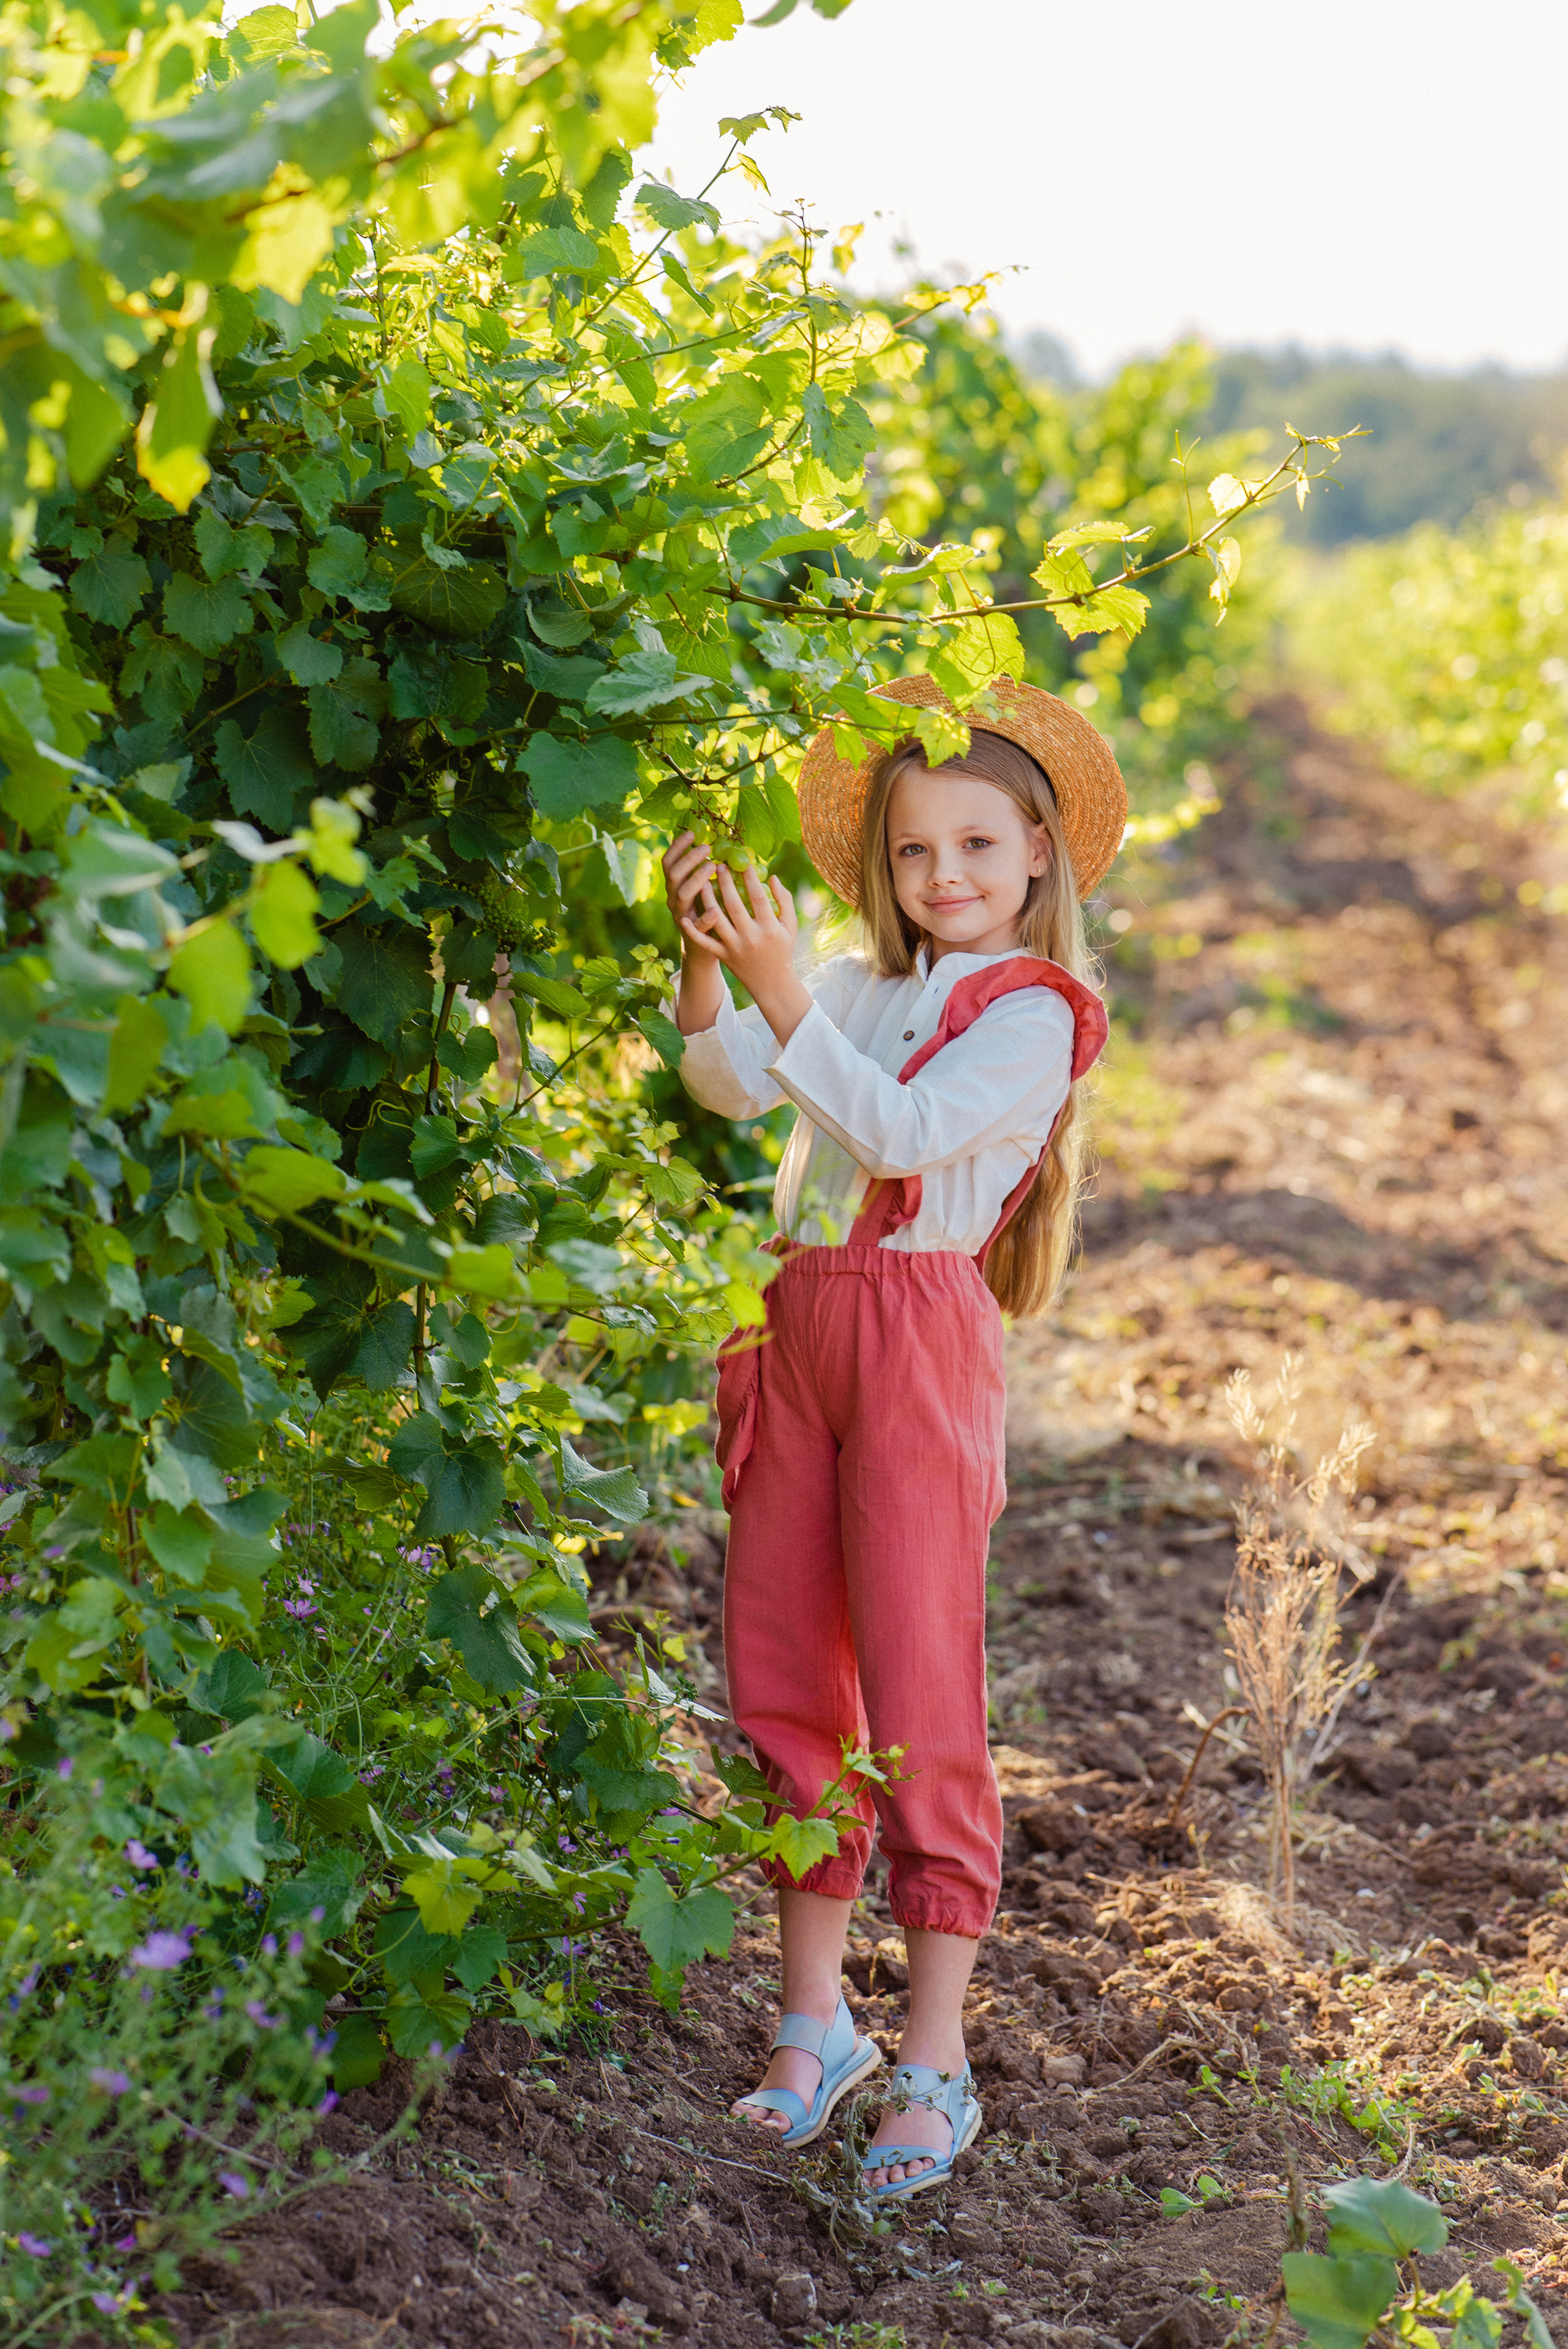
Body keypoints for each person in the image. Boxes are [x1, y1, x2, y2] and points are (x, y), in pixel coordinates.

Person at [661, 675, 1125, 2202]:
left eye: (977, 848)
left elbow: (898, 1139)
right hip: (791, 1323)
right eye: (916, 853)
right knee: (790, 1676)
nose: (945, 880)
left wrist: (789, 990)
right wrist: (708, 964)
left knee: (919, 1687)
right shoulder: (861, 983)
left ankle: (936, 2055)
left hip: (915, 1335)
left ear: (1038, 852)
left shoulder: (1036, 1017)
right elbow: (730, 1086)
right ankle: (815, 2020)